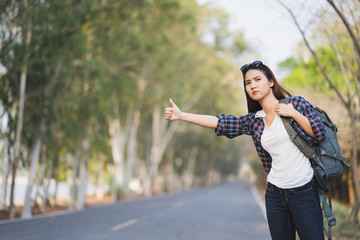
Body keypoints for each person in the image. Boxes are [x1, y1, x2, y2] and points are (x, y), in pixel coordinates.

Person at [164, 60, 326, 240]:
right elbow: (221, 123)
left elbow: (318, 133)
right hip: (275, 193)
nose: (253, 85)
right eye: (248, 83)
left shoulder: (296, 103)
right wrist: (182, 115)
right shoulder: (255, 120)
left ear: (271, 81)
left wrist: (293, 113)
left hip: (303, 190)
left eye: (257, 79)